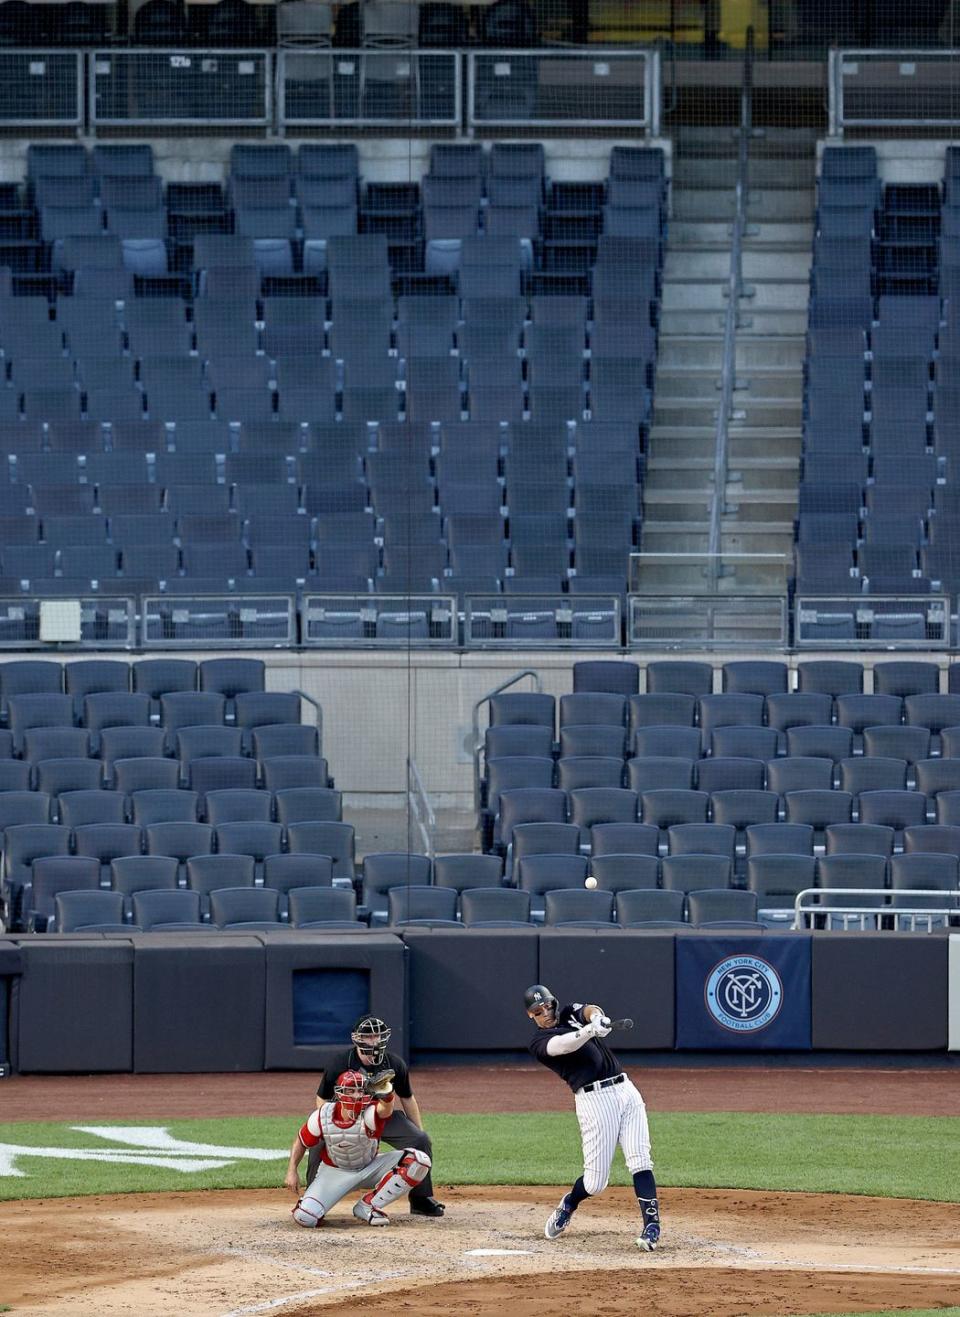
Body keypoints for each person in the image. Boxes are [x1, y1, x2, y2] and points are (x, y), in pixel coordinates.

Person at [524, 983, 661, 1251]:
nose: (546, 1012)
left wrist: (598, 1018)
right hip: (594, 1101)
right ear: (531, 1015)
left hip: (626, 1090)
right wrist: (589, 1031)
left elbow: (587, 1010)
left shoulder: (567, 1014)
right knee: (596, 1183)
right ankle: (569, 1203)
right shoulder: (538, 1043)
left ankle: (652, 1226)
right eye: (538, 1011)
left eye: (548, 1005)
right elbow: (562, 1046)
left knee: (640, 1159)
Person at [308, 1013, 445, 1217]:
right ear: (357, 1039)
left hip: (382, 1113)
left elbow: (407, 1098)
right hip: (348, 1114)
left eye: (377, 1036)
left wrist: (418, 1130)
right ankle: (312, 1196)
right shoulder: (339, 1063)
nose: (374, 1041)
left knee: (420, 1139)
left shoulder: (394, 1063)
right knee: (317, 1143)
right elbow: (322, 1098)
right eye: (368, 1036)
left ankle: (420, 1199)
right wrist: (328, 1125)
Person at [285, 1067, 431, 1228]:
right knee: (306, 1218)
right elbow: (301, 1142)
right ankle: (312, 1202)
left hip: (370, 1168)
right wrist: (292, 1170)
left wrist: (387, 1093)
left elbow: (385, 1109)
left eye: (360, 1091)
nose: (356, 1096)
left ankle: (369, 1205)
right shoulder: (322, 1116)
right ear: (340, 1093)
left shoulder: (370, 1113)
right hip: (334, 1173)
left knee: (419, 1161)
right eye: (350, 1091)